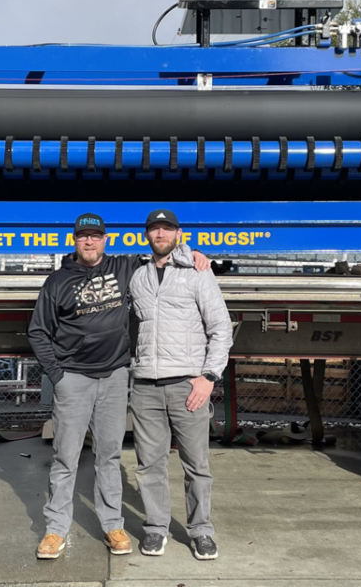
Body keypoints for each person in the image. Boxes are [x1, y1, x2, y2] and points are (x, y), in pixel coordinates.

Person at [28, 212, 208, 560]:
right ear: (75, 240)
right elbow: (38, 331)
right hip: (74, 379)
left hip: (114, 377)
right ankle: (55, 530)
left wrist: (194, 252)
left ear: (105, 239)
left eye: (96, 236)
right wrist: (58, 376)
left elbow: (164, 251)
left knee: (108, 456)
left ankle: (112, 524)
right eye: (83, 237)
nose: (89, 241)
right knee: (66, 458)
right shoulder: (57, 281)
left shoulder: (125, 267)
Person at [128, 208, 233, 561]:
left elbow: (221, 328)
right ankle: (156, 529)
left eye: (166, 229)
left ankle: (201, 531)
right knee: (148, 465)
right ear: (146, 235)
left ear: (179, 233)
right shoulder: (137, 275)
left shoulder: (197, 273)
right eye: (155, 229)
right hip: (145, 386)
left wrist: (209, 378)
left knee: (196, 465)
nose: (160, 234)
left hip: (188, 386)